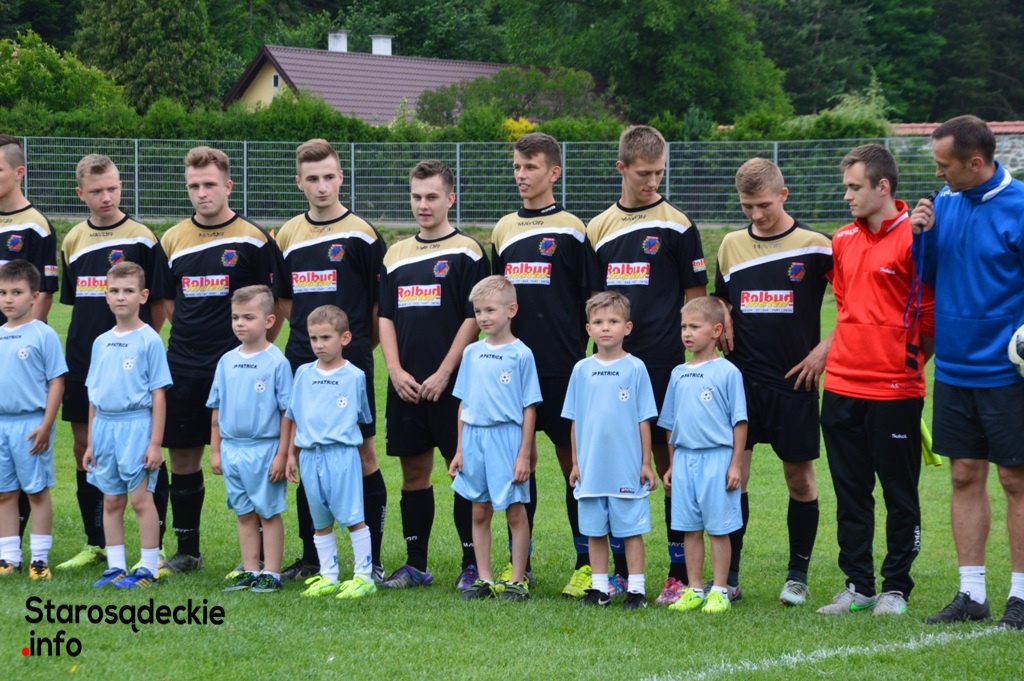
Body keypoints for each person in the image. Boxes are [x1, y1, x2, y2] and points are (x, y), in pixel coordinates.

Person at [910, 115, 1024, 630]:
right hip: (954, 369)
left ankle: (1020, 596)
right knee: (963, 474)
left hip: (1007, 372)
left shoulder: (1019, 207)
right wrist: (922, 237)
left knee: (1016, 479)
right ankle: (972, 594)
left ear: (975, 162)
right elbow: (931, 276)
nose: (939, 174)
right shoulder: (945, 203)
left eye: (945, 165)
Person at [586, 125, 709, 597]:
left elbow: (696, 299)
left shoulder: (678, 224)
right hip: (611, 369)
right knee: (617, 465)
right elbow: (594, 303)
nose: (653, 182)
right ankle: (620, 572)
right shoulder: (598, 228)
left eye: (659, 173)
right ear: (621, 168)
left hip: (663, 364)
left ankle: (677, 572)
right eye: (643, 174)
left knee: (669, 465)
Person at [152, 146, 286, 574]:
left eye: (209, 184)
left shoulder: (254, 239)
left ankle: (260, 558)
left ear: (228, 185)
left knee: (259, 461)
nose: (201, 193)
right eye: (194, 185)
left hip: (243, 372)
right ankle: (187, 550)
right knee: (183, 457)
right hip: (185, 364)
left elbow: (275, 303)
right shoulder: (172, 239)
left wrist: (254, 353)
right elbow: (168, 301)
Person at [708, 158, 833, 606]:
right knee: (734, 478)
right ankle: (730, 576)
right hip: (739, 383)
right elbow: (719, 300)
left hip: (794, 381)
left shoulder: (817, 246)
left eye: (764, 205)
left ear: (783, 194)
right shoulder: (730, 245)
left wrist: (826, 348)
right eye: (747, 207)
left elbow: (857, 303)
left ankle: (797, 576)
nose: (756, 215)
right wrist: (720, 310)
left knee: (799, 479)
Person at [817, 144, 933, 616]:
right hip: (841, 387)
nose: (846, 196)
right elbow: (845, 306)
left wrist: (904, 365)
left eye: (854, 187)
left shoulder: (916, 237)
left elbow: (929, 317)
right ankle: (858, 585)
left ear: (882, 187)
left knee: (899, 495)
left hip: (894, 390)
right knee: (850, 493)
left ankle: (896, 588)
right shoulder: (842, 238)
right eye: (845, 187)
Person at [491, 132, 601, 597]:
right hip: (513, 368)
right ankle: (521, 561)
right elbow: (494, 299)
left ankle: (585, 562)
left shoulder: (573, 229)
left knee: (571, 460)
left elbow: (592, 297)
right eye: (517, 167)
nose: (522, 175)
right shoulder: (503, 230)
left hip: (561, 364)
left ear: (554, 172)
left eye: (531, 167)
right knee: (520, 463)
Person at [275, 139, 387, 583]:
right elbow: (286, 300)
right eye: (312, 179)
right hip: (303, 362)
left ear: (341, 177)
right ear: (299, 182)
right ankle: (313, 559)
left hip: (350, 362)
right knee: (307, 453)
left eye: (328, 177)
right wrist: (311, 341)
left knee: (363, 453)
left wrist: (355, 350)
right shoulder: (287, 234)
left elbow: (379, 304)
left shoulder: (362, 233)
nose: (321, 186)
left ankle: (372, 560)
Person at [378, 160, 489, 591]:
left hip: (454, 385)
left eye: (432, 197)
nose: (422, 205)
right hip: (406, 383)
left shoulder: (468, 251)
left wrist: (446, 372)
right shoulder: (396, 254)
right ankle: (415, 564)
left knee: (462, 471)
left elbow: (473, 317)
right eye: (416, 196)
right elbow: (386, 317)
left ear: (450, 199)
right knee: (413, 474)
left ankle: (470, 563)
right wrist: (394, 370)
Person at [56, 154, 170, 572]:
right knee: (85, 448)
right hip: (85, 362)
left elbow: (158, 301)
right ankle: (97, 543)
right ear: (80, 193)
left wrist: (139, 349)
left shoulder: (142, 237)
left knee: (146, 456)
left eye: (113, 188)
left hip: (131, 370)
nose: (106, 197)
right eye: (97, 191)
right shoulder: (72, 240)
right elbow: (75, 303)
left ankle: (156, 549)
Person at [448, 275, 542, 601]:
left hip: (506, 439)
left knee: (515, 511)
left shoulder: (521, 354)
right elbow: (464, 403)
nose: (483, 317)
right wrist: (459, 450)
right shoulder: (471, 352)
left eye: (490, 310)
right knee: (479, 511)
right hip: (474, 439)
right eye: (478, 311)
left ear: (511, 310)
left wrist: (524, 454)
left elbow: (529, 407)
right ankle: (484, 578)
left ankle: (517, 579)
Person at [563, 291, 658, 610]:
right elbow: (575, 419)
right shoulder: (581, 369)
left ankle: (636, 590)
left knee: (631, 531)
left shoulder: (636, 368)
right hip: (591, 468)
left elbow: (644, 418)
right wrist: (576, 463)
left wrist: (645, 463)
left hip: (626, 467)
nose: (606, 327)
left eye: (613, 321)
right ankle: (600, 588)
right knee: (594, 532)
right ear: (588, 329)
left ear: (627, 328)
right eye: (599, 322)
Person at [84, 262, 171, 589]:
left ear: (143, 296)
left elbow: (158, 395)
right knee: (111, 500)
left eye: (129, 291)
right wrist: (91, 442)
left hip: (135, 427)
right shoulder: (100, 342)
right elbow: (93, 396)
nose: (121, 297)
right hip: (104, 428)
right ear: (106, 295)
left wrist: (155, 443)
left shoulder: (149, 340)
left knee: (140, 500)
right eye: (115, 291)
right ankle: (116, 567)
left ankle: (148, 568)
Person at [659, 296, 747, 614]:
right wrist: (671, 464)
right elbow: (670, 423)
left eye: (695, 327)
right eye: (684, 327)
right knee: (689, 528)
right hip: (685, 460)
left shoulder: (727, 372)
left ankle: (720, 590)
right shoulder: (678, 373)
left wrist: (735, 464)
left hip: (717, 459)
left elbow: (739, 422)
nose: (687, 333)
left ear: (717, 330)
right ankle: (694, 588)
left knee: (719, 528)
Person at [284, 305, 376, 599]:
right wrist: (290, 455)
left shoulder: (355, 376)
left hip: (341, 455)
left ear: (344, 338)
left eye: (326, 337)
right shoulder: (303, 373)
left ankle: (364, 577)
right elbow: (295, 416)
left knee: (353, 517)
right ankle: (329, 576)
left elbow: (360, 418)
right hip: (310, 456)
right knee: (320, 520)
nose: (319, 344)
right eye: (313, 338)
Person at [208, 285, 293, 593]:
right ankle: (250, 569)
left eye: (248, 317)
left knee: (268, 512)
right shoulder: (226, 361)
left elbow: (288, 412)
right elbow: (216, 407)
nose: (240, 324)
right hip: (233, 448)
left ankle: (272, 573)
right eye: (235, 317)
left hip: (264, 449)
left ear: (269, 321)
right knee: (244, 513)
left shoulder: (277, 362)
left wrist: (282, 454)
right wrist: (216, 450)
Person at [0, 135, 58, 543]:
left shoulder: (36, 225)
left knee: (24, 461)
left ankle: (25, 546)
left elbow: (46, 291)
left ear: (19, 172)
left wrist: (21, 341)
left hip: (16, 355)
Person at [0, 260, 66, 579]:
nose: (8, 299)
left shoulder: (43, 334)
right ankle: (8, 557)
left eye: (17, 292)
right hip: (2, 424)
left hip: (32, 424)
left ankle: (39, 559)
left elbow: (57, 381)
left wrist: (46, 424)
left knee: (36, 491)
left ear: (35, 296)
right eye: (3, 293)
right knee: (4, 493)